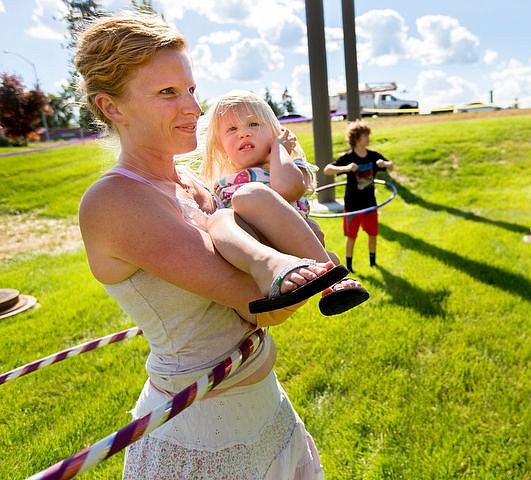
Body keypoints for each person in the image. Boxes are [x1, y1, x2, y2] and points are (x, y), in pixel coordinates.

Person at [75, 11, 326, 477]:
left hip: (264, 409)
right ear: (112, 108)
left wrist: (295, 224)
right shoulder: (115, 201)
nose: (193, 107)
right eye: (168, 93)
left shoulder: (191, 183)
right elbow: (263, 306)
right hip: (202, 437)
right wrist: (297, 253)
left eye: (190, 89)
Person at [197, 90, 369, 316]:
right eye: (232, 129)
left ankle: (332, 280)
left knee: (248, 194)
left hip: (285, 240)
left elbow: (287, 190)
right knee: (219, 219)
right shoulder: (221, 183)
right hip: (250, 252)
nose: (243, 133)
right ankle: (320, 266)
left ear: (276, 133)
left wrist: (279, 150)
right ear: (220, 144)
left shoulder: (282, 167)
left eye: (253, 124)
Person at [323, 120, 394, 273]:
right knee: (351, 236)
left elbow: (392, 164)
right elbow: (327, 170)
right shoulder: (349, 157)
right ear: (356, 137)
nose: (368, 138)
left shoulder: (373, 156)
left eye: (368, 135)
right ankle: (349, 266)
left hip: (370, 204)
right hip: (352, 206)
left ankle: (373, 263)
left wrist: (385, 164)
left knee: (373, 234)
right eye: (364, 135)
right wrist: (347, 168)